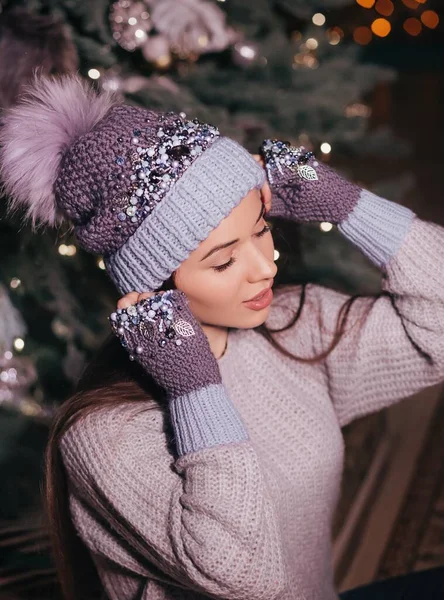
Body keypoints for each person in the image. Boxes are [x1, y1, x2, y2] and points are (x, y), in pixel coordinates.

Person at [1, 73, 444, 600]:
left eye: (261, 230)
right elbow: (244, 574)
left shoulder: (293, 328)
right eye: (224, 259)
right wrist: (195, 389)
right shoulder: (103, 435)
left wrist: (350, 205)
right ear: (153, 287)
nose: (265, 267)